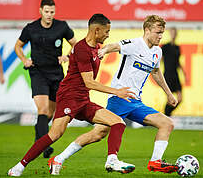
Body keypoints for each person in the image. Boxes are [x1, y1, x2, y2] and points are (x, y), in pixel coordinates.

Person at [7, 13, 136, 177]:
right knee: (55, 134)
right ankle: (19, 166)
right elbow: (89, 82)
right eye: (106, 31)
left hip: (83, 99)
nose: (108, 34)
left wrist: (110, 49)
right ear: (96, 30)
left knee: (117, 122)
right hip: (69, 97)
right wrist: (117, 91)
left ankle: (112, 160)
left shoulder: (95, 48)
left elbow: (101, 53)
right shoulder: (82, 49)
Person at [48, 15, 179, 175]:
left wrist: (169, 94)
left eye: (162, 33)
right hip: (120, 99)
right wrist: (103, 50)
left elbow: (156, 72)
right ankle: (62, 159)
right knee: (98, 134)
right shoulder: (135, 44)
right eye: (158, 32)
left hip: (136, 102)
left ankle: (155, 162)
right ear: (147, 30)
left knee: (167, 124)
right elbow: (114, 46)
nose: (160, 36)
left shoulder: (157, 52)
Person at [14, 0, 77, 158]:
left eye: (52, 12)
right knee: (42, 110)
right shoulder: (31, 28)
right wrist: (24, 60)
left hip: (56, 74)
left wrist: (66, 56)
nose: (49, 15)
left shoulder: (61, 26)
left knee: (50, 114)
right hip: (38, 72)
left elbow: (75, 44)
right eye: (47, 12)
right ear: (41, 11)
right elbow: (18, 46)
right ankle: (44, 146)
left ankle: (38, 141)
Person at [161, 27, 187, 116]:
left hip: (175, 75)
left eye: (175, 33)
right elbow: (159, 60)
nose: (173, 35)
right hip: (167, 75)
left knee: (180, 99)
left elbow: (178, 62)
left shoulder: (177, 48)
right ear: (169, 34)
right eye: (172, 33)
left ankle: (167, 114)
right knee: (170, 99)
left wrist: (184, 73)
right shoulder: (165, 47)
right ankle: (166, 116)